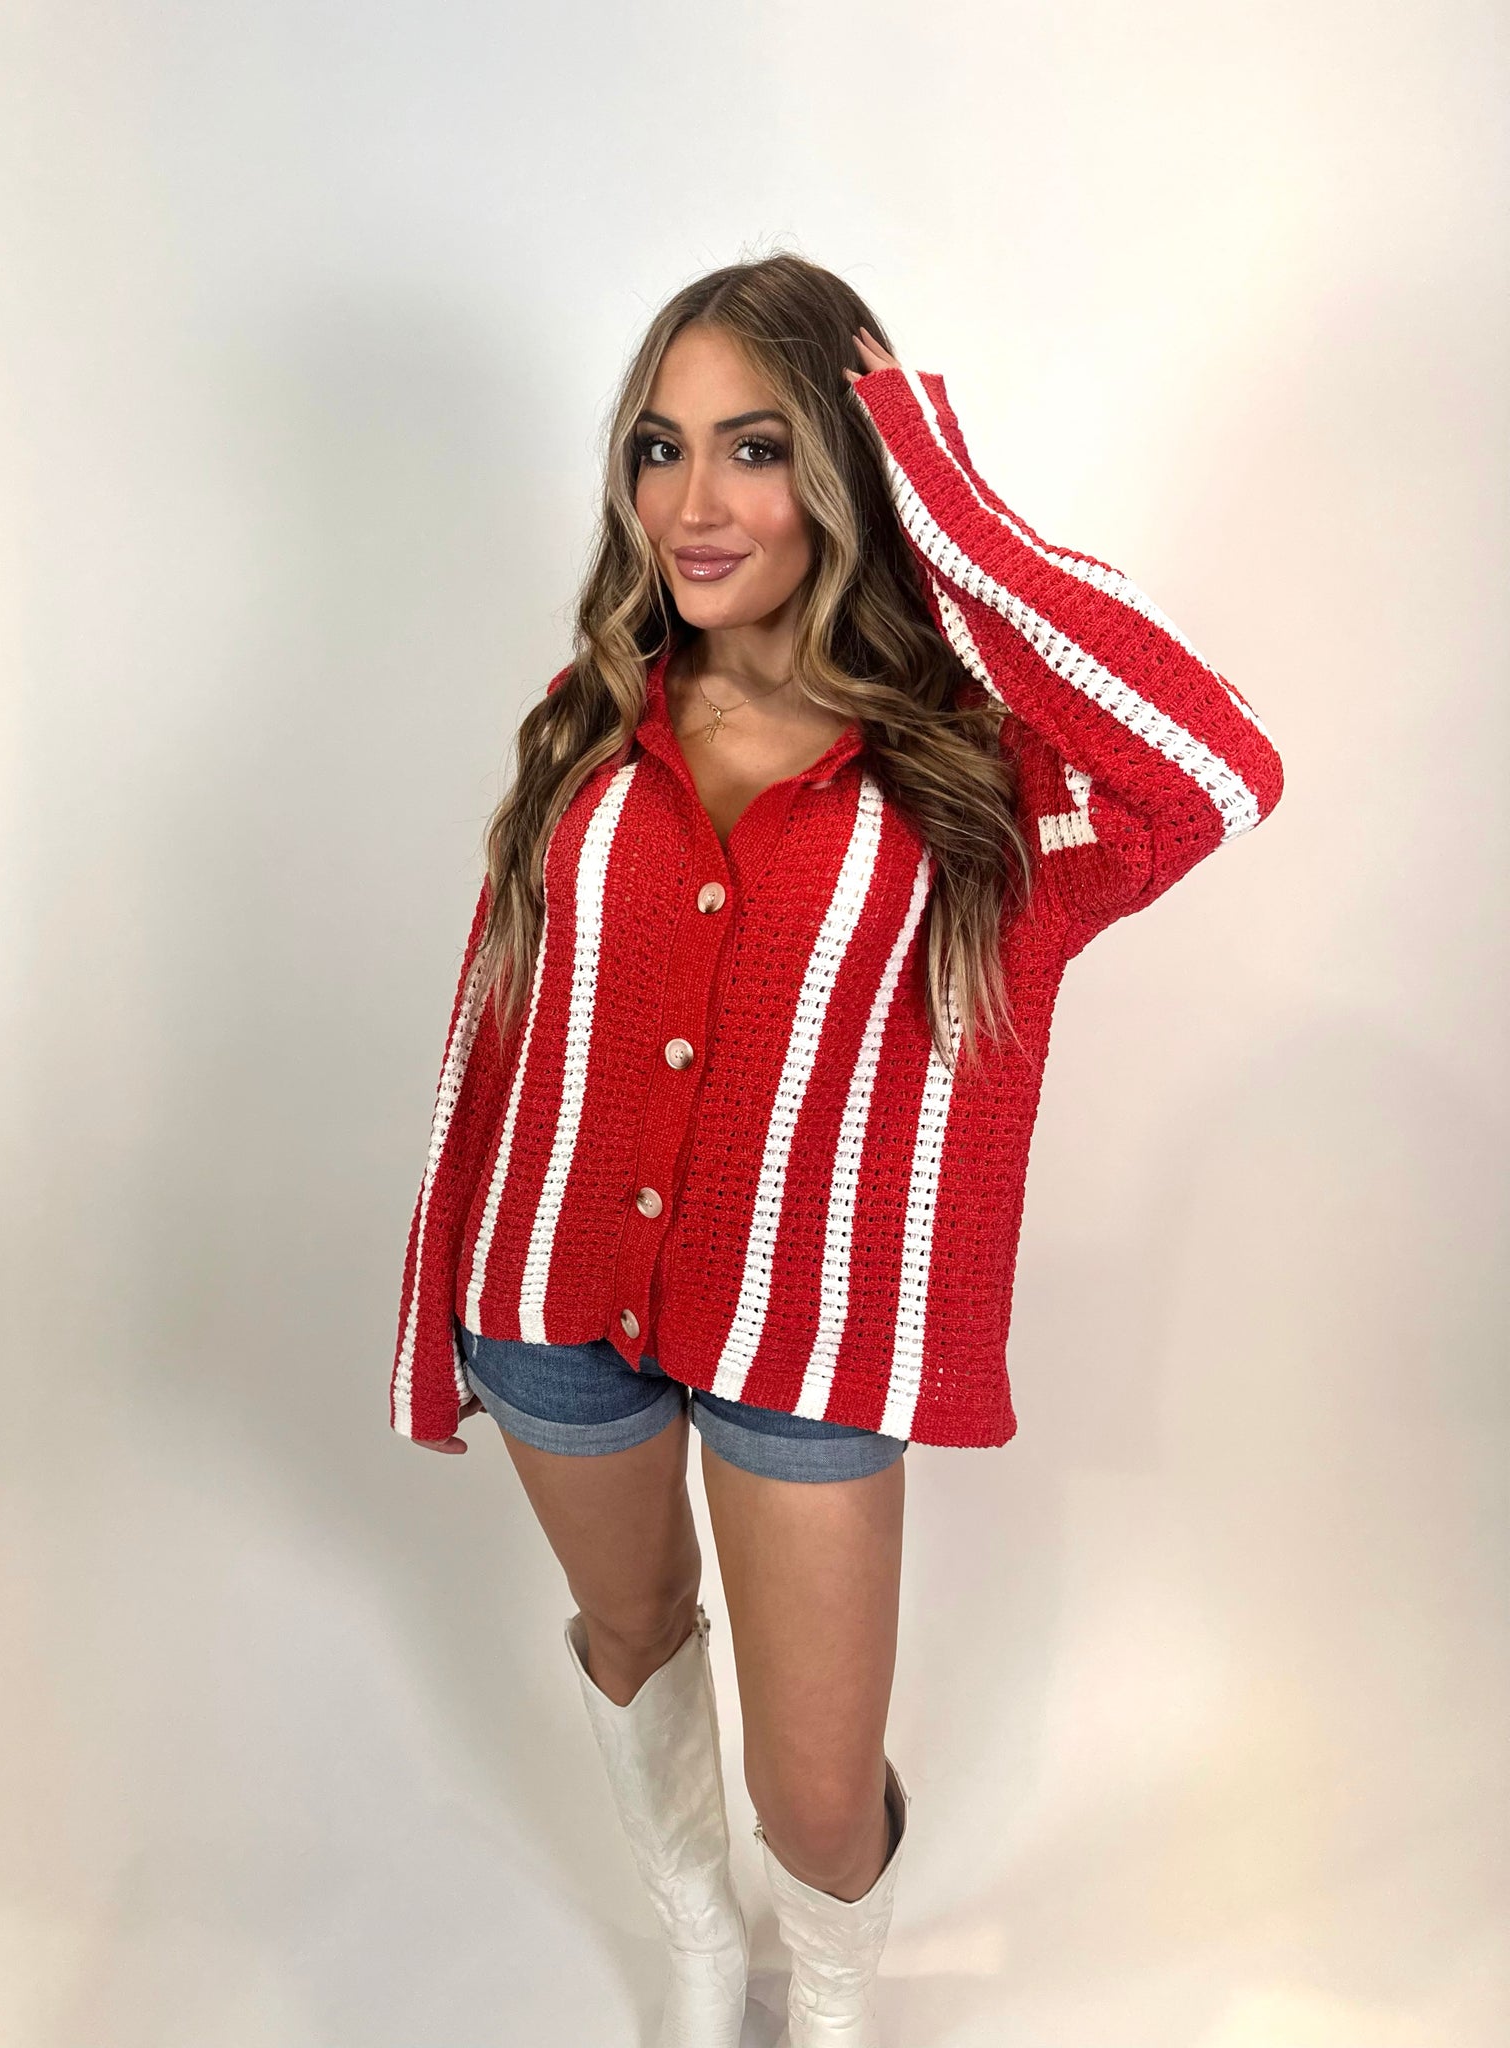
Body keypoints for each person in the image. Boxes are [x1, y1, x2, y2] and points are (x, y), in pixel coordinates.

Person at [388, 252, 1284, 2047]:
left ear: (850, 472)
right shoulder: (590, 717)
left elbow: (1216, 767)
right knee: (634, 1633)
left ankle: (836, 1991)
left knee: (815, 1791)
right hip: (550, 1289)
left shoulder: (979, 774)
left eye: (759, 448)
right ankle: (698, 1943)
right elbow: (506, 1028)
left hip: (809, 1338)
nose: (693, 504)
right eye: (660, 448)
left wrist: (938, 484)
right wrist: (444, 1297)